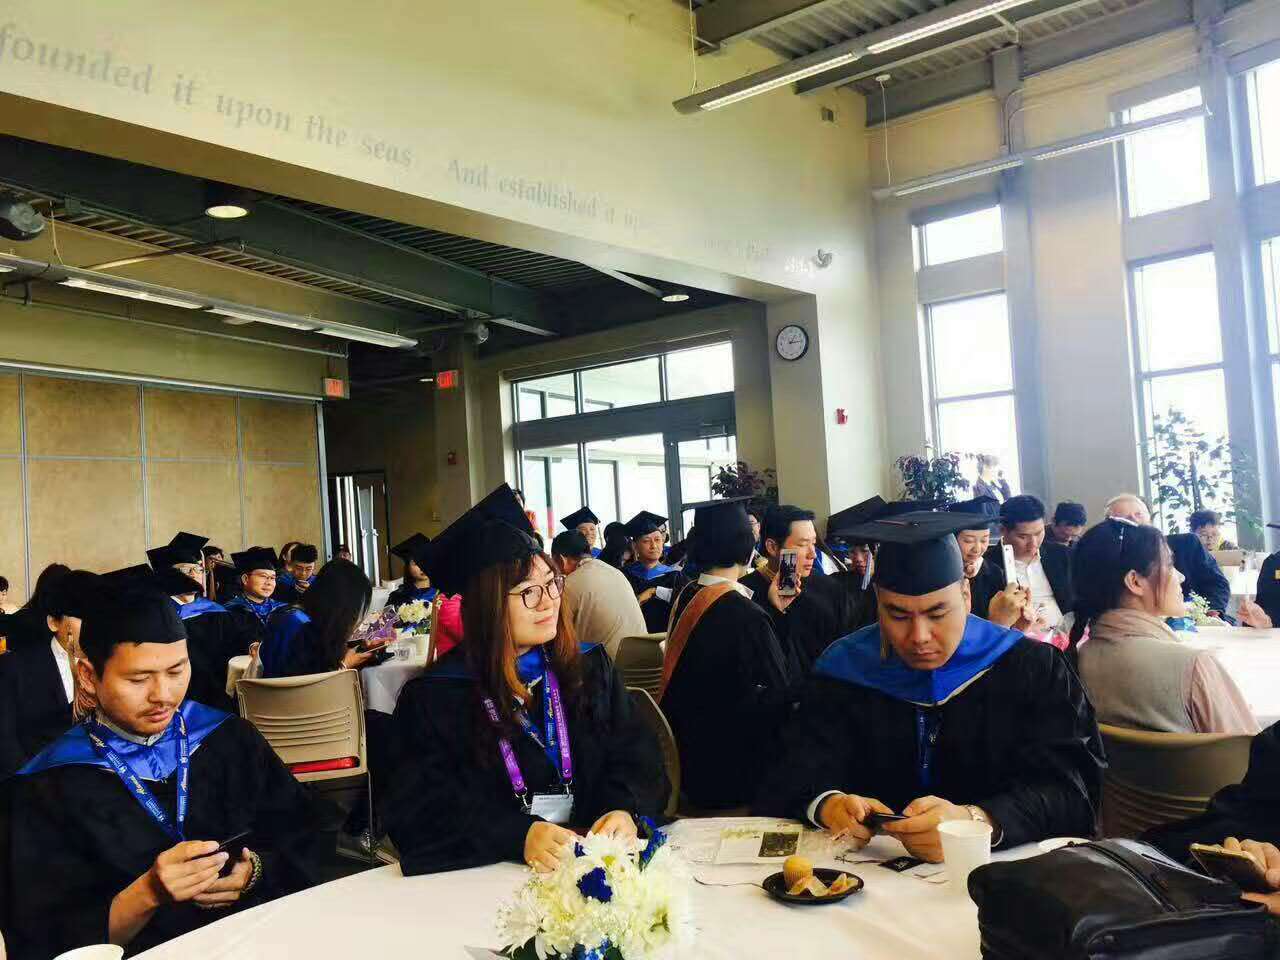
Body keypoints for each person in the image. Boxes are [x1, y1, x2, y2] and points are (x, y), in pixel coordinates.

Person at [1, 566, 328, 960]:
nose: (163, 695)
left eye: (176, 670)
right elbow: (40, 938)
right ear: (87, 676)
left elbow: (306, 834)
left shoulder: (229, 738)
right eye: (138, 679)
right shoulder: (48, 783)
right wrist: (148, 893)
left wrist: (256, 870)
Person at [758, 510, 1104, 860]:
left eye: (938, 613)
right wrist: (827, 804)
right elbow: (793, 770)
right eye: (897, 615)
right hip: (868, 869)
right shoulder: (844, 669)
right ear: (878, 603)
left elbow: (1073, 793)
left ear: (966, 595)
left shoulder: (1032, 668)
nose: (919, 636)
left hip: (998, 871)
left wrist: (977, 821)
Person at [385, 484, 665, 875]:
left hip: (590, 867)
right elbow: (419, 812)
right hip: (492, 878)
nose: (549, 600)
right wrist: (517, 834)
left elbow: (637, 756)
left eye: (552, 583)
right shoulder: (437, 697)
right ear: (486, 604)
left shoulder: (588, 668)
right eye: (529, 592)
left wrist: (624, 809)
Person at [660, 498, 801, 811]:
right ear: (747, 548)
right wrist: (780, 616)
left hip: (691, 760)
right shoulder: (744, 614)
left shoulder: (688, 594)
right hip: (734, 775)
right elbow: (782, 690)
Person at [1071, 519, 1257, 735]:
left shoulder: (1074, 663)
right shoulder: (1193, 667)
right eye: (1169, 564)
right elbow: (1249, 748)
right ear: (1135, 582)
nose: (1181, 576)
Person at [0, 569, 97, 778]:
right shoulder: (15, 668)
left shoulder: (112, 666)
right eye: (83, 616)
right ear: (54, 622)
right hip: (36, 782)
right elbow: (5, 740)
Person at [742, 504, 864, 669]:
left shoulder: (829, 589)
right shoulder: (746, 594)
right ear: (772, 547)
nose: (812, 554)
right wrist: (776, 611)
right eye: (802, 544)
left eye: (813, 543)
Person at [147, 532, 249, 713]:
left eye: (199, 570)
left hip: (221, 693)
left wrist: (252, 643)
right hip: (180, 697)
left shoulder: (216, 610)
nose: (195, 575)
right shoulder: (158, 615)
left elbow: (240, 639)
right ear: (169, 575)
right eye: (187, 571)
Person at [1106, 494, 1233, 618]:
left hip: (1196, 620)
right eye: (1123, 519)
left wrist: (1209, 612)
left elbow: (1218, 584)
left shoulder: (1187, 544)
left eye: (1138, 514)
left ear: (1150, 519)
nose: (1134, 521)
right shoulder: (1110, 562)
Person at [259, 558, 378, 679]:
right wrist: (346, 664)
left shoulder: (295, 615)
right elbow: (305, 682)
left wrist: (358, 647)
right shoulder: (299, 624)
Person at [983, 495, 1074, 633]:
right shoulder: (986, 566)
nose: (1033, 543)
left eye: (1038, 533)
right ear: (1003, 530)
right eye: (1023, 536)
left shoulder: (1063, 555)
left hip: (1067, 635)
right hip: (1018, 641)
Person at [551, 529, 646, 660]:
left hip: (610, 668)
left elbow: (558, 635)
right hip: (645, 661)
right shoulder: (615, 572)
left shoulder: (569, 584)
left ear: (561, 560)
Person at [622, 511, 686, 634]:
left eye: (657, 540)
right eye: (646, 541)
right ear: (635, 546)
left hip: (665, 638)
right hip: (632, 637)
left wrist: (655, 591)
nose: (654, 546)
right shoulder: (624, 575)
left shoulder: (675, 575)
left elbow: (685, 603)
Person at [222, 548, 284, 649]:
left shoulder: (283, 609)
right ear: (245, 579)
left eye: (273, 578)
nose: (269, 582)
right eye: (263, 576)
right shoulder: (230, 611)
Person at [388, 533, 438, 608]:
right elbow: (387, 615)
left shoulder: (442, 595)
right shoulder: (397, 596)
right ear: (408, 567)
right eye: (416, 563)